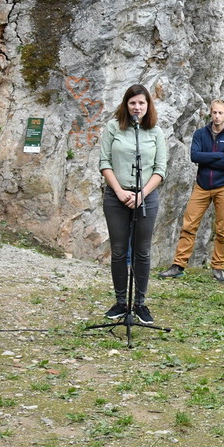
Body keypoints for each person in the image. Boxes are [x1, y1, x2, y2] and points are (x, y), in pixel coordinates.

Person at [98, 84, 168, 325]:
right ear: (126, 105)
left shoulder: (155, 132)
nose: (137, 107)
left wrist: (141, 194)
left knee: (142, 251)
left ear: (148, 106)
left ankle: (140, 303)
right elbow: (104, 162)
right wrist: (119, 191)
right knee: (119, 251)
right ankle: (120, 302)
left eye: (141, 103)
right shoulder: (113, 127)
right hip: (116, 197)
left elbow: (160, 170)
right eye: (132, 103)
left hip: (145, 197)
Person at [159, 99, 224, 282]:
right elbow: (194, 156)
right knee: (189, 225)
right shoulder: (200, 134)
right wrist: (220, 155)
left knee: (222, 229)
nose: (217, 116)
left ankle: (218, 267)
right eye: (214, 112)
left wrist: (208, 158)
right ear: (210, 114)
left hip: (223, 187)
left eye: (221, 113)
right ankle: (178, 265)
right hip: (202, 186)